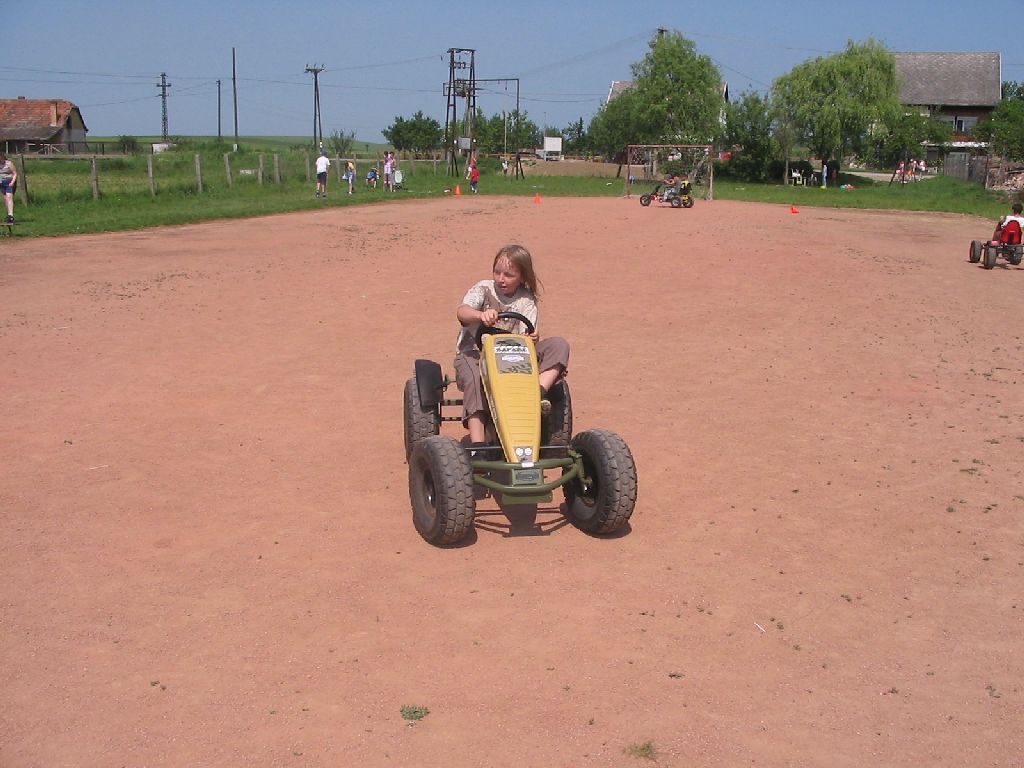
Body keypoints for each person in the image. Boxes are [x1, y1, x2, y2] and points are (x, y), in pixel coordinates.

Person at [454, 244, 570, 448]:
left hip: (512, 359)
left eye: (508, 274)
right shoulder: (483, 289)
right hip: (475, 353)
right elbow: (462, 312)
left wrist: (533, 338)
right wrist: (480, 315)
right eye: (497, 272)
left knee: (559, 345)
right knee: (474, 377)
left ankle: (536, 394)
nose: (501, 278)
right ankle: (478, 445)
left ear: (522, 277)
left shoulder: (527, 300)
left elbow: (528, 336)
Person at [1, 152, 19, 222]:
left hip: (9, 181)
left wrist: (12, 182)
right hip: (1, 182)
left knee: (9, 197)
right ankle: (8, 214)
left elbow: (15, 173)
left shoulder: (8, 163)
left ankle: (11, 215)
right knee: (5, 199)